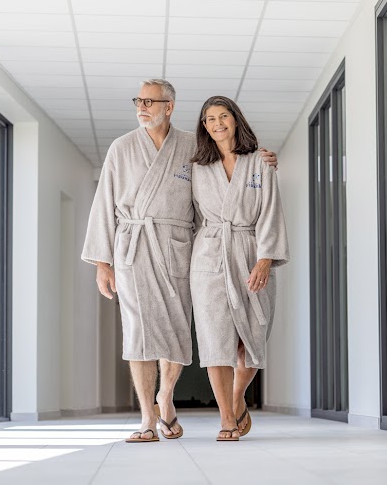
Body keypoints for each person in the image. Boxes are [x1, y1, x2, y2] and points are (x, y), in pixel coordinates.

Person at [81, 80, 277, 442]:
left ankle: (166, 397)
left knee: (175, 332)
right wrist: (102, 262)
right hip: (134, 246)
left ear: (168, 107)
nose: (141, 107)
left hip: (180, 249)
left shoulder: (193, 147)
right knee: (138, 332)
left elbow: (228, 174)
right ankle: (147, 419)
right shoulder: (121, 147)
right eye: (138, 100)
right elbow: (103, 203)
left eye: (149, 101)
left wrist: (263, 161)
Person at [189, 96, 289, 441]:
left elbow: (271, 211)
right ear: (204, 126)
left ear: (235, 120)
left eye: (223, 116)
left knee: (252, 339)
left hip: (250, 252)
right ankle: (226, 419)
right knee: (216, 342)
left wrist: (265, 259)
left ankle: (236, 397)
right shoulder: (197, 167)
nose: (217, 123)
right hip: (210, 256)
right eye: (210, 119)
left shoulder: (259, 162)